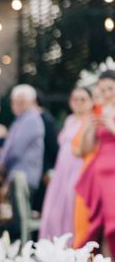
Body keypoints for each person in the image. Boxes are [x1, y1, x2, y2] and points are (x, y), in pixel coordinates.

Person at [39, 87, 93, 244]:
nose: (79, 103)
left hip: (78, 167)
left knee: (71, 204)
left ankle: (73, 244)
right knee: (55, 209)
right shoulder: (70, 120)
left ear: (90, 102)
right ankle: (55, 244)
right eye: (75, 99)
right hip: (62, 169)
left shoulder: (90, 120)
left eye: (83, 99)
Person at [0, 84, 45, 240]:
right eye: (15, 101)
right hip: (19, 174)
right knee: (18, 216)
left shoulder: (30, 119)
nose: (16, 105)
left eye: (21, 101)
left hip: (23, 176)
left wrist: (2, 164)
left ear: (31, 101)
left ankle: (23, 249)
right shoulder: (22, 119)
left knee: (22, 219)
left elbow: (16, 149)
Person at [75, 70, 115, 255]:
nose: (106, 93)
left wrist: (111, 125)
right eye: (102, 89)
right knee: (102, 226)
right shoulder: (100, 112)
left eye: (110, 88)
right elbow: (84, 150)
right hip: (99, 176)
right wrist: (89, 127)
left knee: (112, 225)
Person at [32, 89, 59, 212]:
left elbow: (53, 147)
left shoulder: (46, 120)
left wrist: (48, 170)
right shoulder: (33, 119)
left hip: (45, 170)